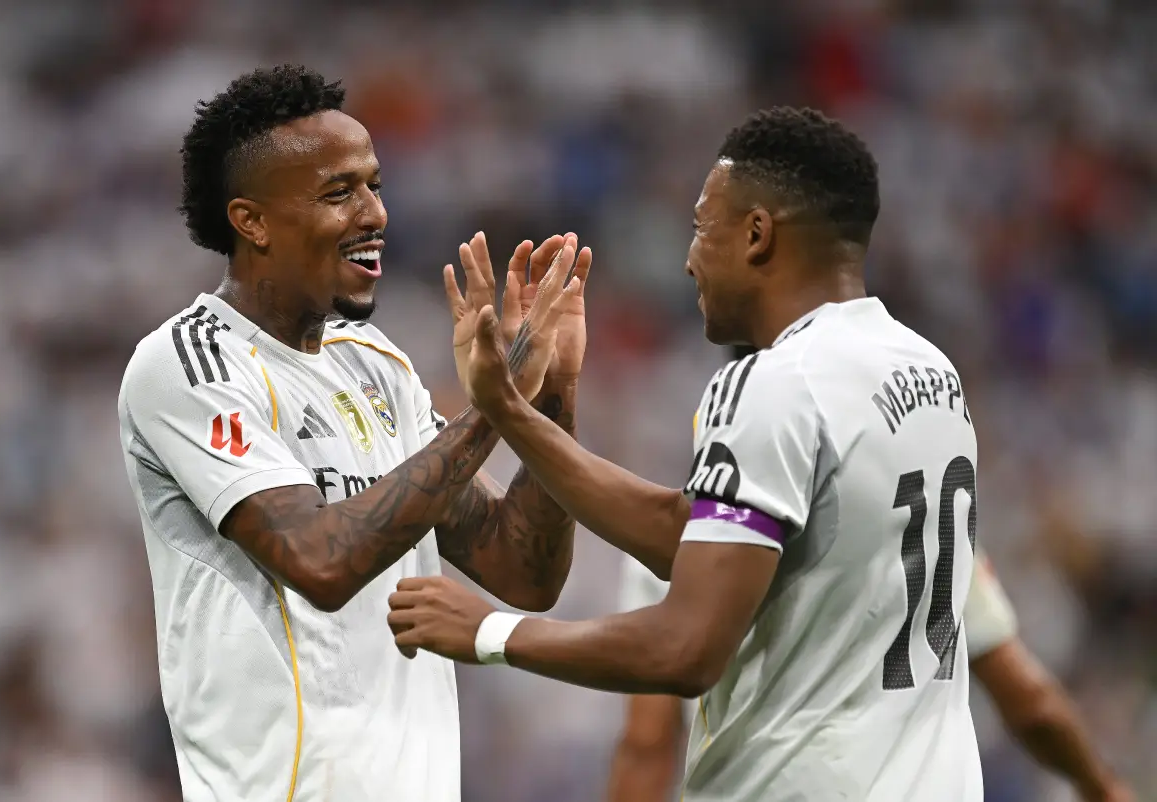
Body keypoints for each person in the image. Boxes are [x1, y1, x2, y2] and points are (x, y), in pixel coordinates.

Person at [388, 107, 985, 801]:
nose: (689, 257)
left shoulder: (775, 382)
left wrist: (491, 632)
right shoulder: (928, 369)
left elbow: (688, 646)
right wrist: (514, 411)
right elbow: (688, 536)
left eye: (703, 227)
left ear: (757, 234)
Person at [117, 64, 592, 802]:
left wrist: (549, 396)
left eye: (374, 185)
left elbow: (522, 571)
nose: (375, 213)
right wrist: (495, 407)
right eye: (339, 193)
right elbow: (320, 563)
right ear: (252, 221)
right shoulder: (186, 365)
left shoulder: (378, 367)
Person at [607, 549, 1134, 802]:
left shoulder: (673, 535)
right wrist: (1102, 786)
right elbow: (1030, 702)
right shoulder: (919, 521)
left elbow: (648, 745)